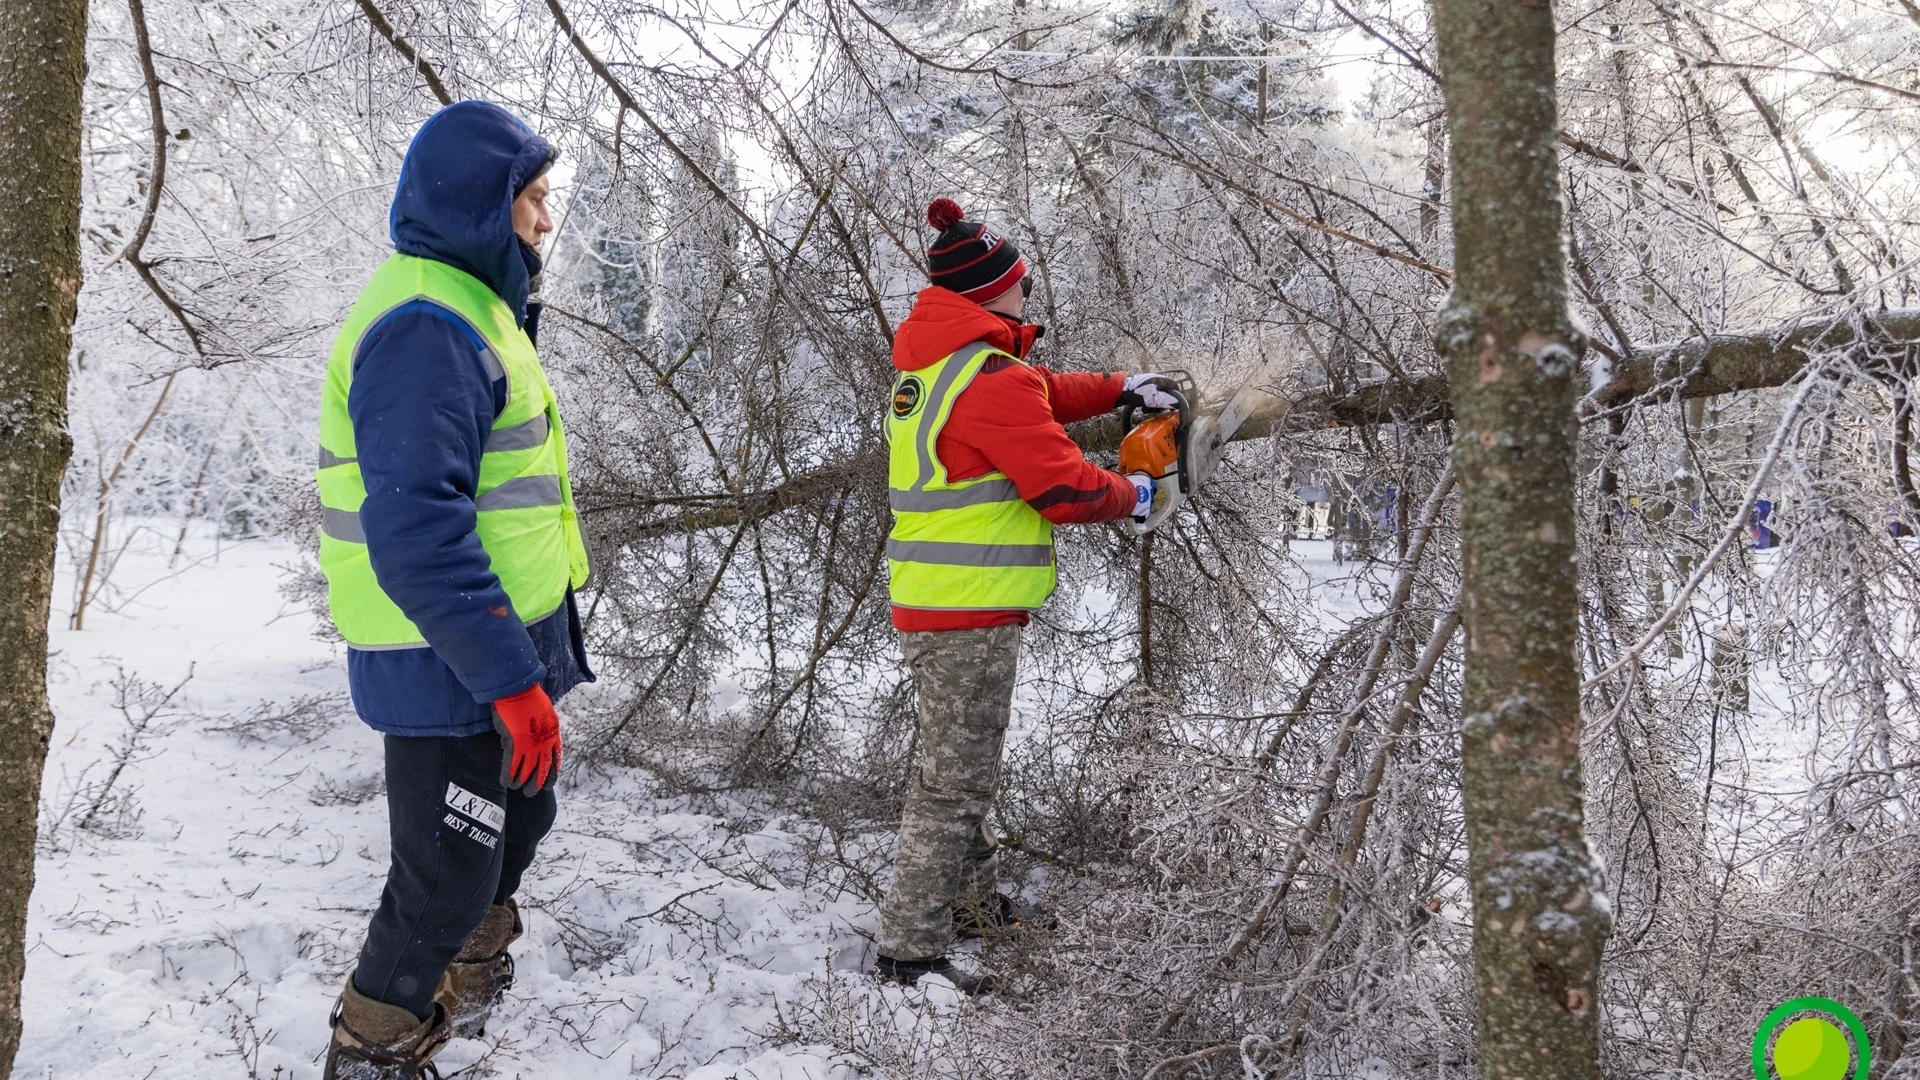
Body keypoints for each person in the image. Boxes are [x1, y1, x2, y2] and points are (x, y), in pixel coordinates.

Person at [314, 100, 593, 1078]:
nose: (545, 220)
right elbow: (418, 528)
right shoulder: (426, 322)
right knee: (442, 871)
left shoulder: (474, 308)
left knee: (518, 819)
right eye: (531, 199)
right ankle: (374, 1046)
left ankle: (471, 965)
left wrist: (534, 662)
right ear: (479, 203)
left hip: (496, 651)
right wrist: (508, 681)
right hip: (446, 662)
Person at [874, 197, 1178, 994]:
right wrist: (1137, 496)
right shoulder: (989, 378)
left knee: (956, 767)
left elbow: (1042, 390)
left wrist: (1120, 389)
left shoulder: (938, 367)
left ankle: (971, 907)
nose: (1028, 291)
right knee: (953, 783)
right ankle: (909, 952)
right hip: (967, 610)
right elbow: (1064, 487)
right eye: (1019, 281)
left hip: (935, 601)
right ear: (991, 292)